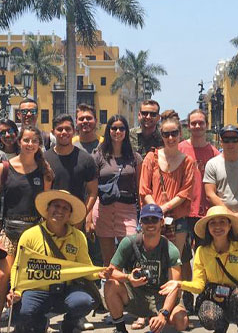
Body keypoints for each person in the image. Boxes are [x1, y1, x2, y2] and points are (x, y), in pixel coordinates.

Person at [0, 126, 54, 333]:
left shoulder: (44, 171)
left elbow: (45, 206)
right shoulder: (3, 168)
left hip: (34, 232)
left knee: (33, 280)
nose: (30, 144)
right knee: (3, 277)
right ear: (19, 142)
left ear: (39, 145)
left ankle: (33, 321)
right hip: (10, 230)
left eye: (35, 141)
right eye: (26, 140)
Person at [9, 190, 95, 333]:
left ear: (69, 215)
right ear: (47, 210)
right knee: (20, 311)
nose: (59, 211)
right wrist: (16, 290)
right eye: (56, 206)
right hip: (38, 290)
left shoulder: (78, 237)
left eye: (65, 208)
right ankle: (40, 325)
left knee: (85, 302)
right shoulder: (29, 235)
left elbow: (85, 266)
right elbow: (18, 266)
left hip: (66, 290)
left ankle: (68, 326)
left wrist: (101, 273)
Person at [100, 204, 188, 333]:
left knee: (181, 321)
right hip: (136, 294)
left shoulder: (170, 249)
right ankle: (121, 331)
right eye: (146, 220)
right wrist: (128, 278)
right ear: (141, 223)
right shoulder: (129, 243)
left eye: (155, 219)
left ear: (162, 222)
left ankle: (158, 324)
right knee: (110, 284)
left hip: (161, 295)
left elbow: (175, 285)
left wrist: (164, 314)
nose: (150, 223)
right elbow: (112, 271)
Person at [178, 109, 219, 311]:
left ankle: (204, 294)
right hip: (184, 211)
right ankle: (187, 295)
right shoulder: (179, 149)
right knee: (184, 257)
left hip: (206, 212)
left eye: (200, 123)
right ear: (188, 125)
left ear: (206, 124)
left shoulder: (215, 153)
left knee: (204, 256)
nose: (197, 126)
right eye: (193, 123)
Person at [139, 116, 196, 257]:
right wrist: (157, 211)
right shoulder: (151, 158)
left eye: (174, 133)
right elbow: (144, 189)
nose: (170, 138)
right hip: (152, 218)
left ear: (180, 133)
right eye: (166, 134)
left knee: (174, 260)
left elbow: (185, 192)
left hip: (177, 219)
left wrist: (164, 208)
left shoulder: (188, 162)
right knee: (151, 259)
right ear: (161, 135)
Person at [90, 115, 142, 266]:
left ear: (126, 131)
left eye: (121, 128)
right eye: (114, 128)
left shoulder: (134, 157)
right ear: (108, 131)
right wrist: (89, 215)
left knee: (131, 255)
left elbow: (139, 188)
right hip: (103, 209)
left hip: (127, 210)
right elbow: (92, 189)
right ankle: (112, 288)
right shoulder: (99, 156)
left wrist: (143, 214)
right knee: (109, 262)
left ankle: (127, 288)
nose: (117, 131)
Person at [46, 114, 99, 219]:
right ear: (52, 132)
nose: (64, 132)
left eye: (67, 129)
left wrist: (81, 216)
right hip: (50, 218)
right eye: (60, 129)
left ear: (74, 131)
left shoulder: (86, 159)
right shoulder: (45, 159)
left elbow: (93, 192)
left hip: (76, 219)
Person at [204, 125, 238, 214]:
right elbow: (210, 194)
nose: (230, 143)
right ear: (221, 142)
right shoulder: (212, 164)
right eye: (226, 139)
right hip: (221, 219)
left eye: (234, 139)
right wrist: (230, 215)